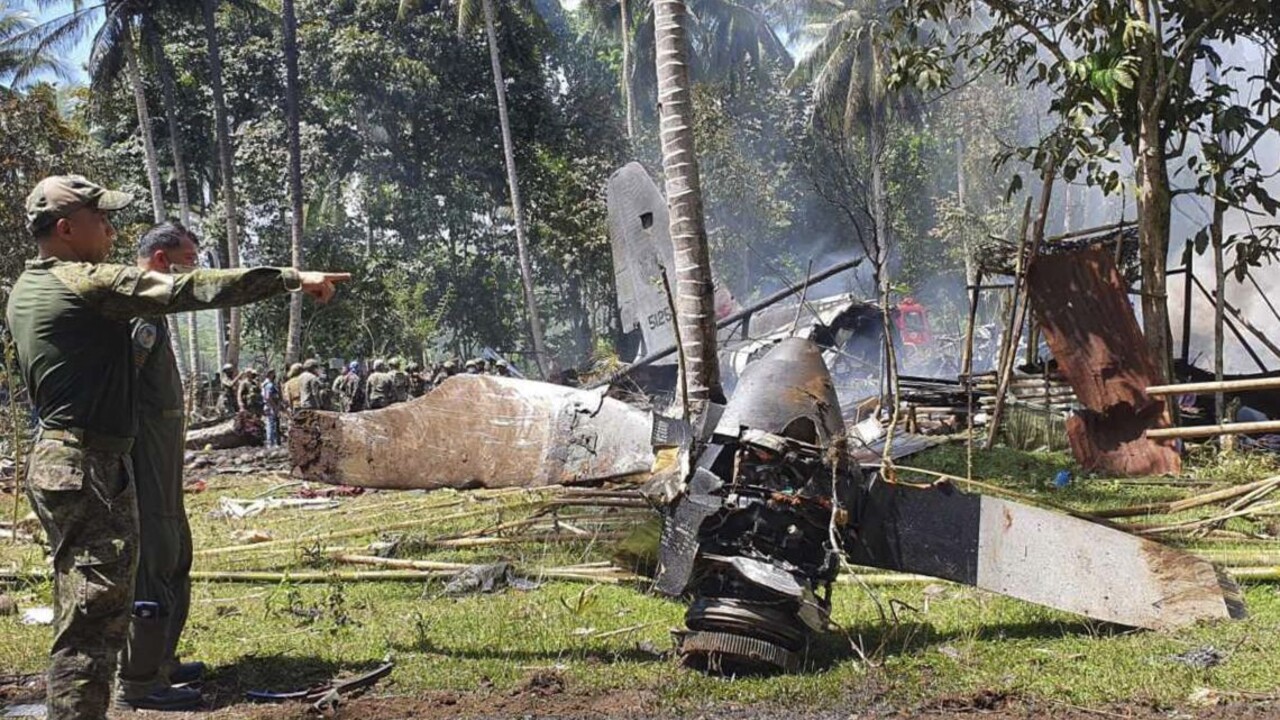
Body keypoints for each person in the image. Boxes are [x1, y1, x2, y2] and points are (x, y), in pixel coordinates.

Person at [6, 176, 350, 720]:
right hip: (87, 465)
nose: (111, 231)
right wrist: (289, 278)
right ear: (66, 229)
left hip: (68, 459)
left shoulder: (27, 286)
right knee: (93, 617)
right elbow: (187, 290)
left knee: (87, 607)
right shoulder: (82, 283)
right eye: (101, 220)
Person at [261, 369, 284, 447]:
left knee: (272, 423)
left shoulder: (267, 384)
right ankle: (271, 443)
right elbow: (268, 397)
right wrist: (274, 406)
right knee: (271, 424)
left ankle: (273, 442)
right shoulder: (269, 385)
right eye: (273, 373)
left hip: (270, 406)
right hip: (271, 406)